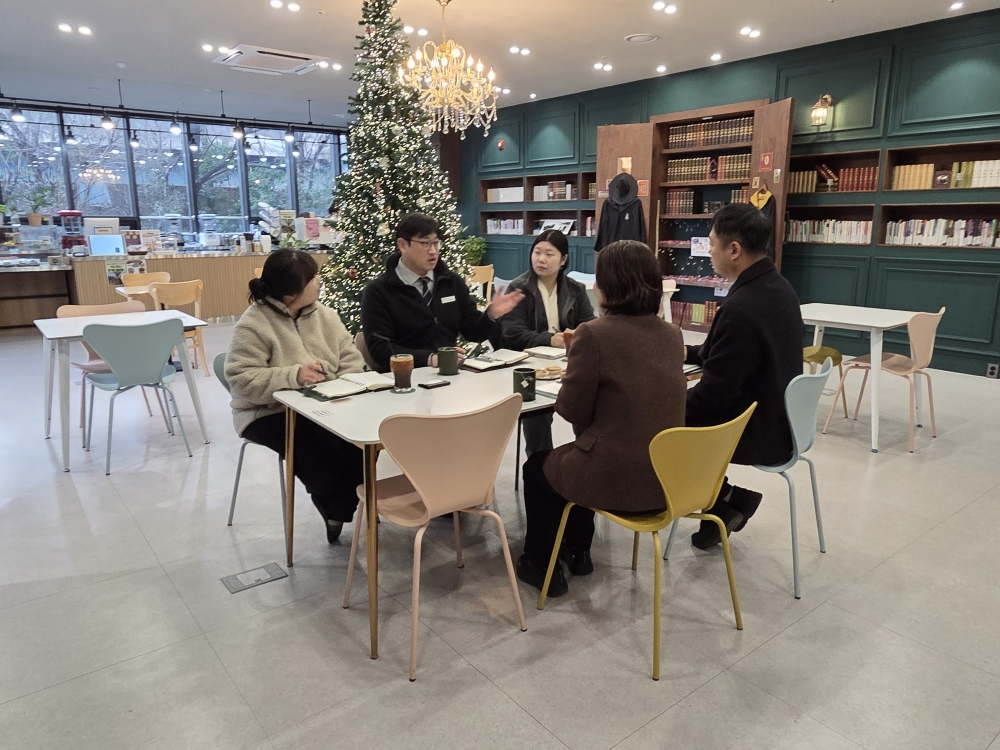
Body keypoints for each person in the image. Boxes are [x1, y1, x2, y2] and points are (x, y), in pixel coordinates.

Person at [516, 240, 688, 597]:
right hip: (667, 478)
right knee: (578, 456)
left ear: (608, 285)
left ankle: (541, 563)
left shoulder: (594, 334)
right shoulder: (672, 335)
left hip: (616, 477)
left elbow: (571, 410)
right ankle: (579, 552)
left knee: (538, 468)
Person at [685, 202, 804, 549]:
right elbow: (727, 353)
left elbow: (715, 395)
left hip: (757, 429)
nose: (709, 251)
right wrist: (687, 353)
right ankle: (725, 504)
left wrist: (666, 403)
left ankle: (725, 500)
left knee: (658, 423)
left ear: (734, 250)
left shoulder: (741, 308)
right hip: (781, 417)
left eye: (711, 244)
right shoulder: (778, 287)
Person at [225, 249, 365, 544]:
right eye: (312, 278)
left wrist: (340, 386)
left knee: (361, 445)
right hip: (267, 411)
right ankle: (336, 508)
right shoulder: (254, 324)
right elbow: (241, 379)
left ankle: (336, 510)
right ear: (292, 292)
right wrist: (293, 376)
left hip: (325, 405)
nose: (319, 281)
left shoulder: (325, 316)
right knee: (323, 455)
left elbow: (351, 359)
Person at [360, 213, 525, 372]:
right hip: (404, 378)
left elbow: (472, 331)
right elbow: (381, 349)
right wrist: (430, 359)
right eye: (425, 243)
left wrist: (491, 314)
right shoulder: (379, 291)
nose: (433, 251)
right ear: (403, 245)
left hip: (449, 375)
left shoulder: (450, 282)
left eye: (436, 243)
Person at [502, 230, 596, 457]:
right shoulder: (518, 288)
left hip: (567, 364)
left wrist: (576, 336)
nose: (541, 259)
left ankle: (585, 459)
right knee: (538, 418)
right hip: (531, 368)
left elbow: (589, 325)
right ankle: (539, 465)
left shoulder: (575, 289)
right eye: (537, 252)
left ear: (563, 260)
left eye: (549, 254)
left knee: (588, 403)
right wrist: (548, 339)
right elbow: (512, 332)